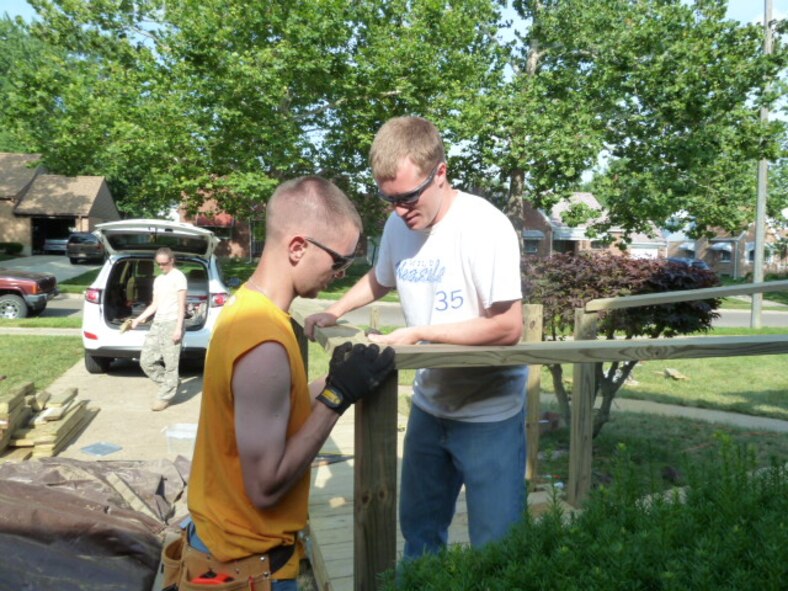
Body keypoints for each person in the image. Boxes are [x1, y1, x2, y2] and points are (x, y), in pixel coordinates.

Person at [305, 116, 528, 558]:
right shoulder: (398, 227)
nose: (399, 210)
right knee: (420, 538)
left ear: (441, 173)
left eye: (407, 197)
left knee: (497, 550)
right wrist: (334, 309)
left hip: (491, 413)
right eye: (388, 199)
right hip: (429, 409)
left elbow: (508, 326)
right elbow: (381, 277)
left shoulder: (485, 226)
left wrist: (419, 333)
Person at [173, 176, 395, 591]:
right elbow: (266, 486)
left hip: (223, 547)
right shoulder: (265, 343)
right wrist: (336, 397)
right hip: (244, 567)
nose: (341, 274)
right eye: (338, 262)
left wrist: (335, 379)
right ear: (298, 248)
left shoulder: (249, 309)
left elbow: (279, 405)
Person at [131, 246, 187, 411]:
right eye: (158, 264)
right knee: (146, 361)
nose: (162, 267)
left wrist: (178, 328)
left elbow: (181, 305)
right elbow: (154, 305)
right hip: (157, 323)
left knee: (171, 364)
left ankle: (165, 396)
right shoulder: (159, 280)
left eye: (164, 263)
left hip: (172, 323)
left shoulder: (179, 277)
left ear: (172, 260)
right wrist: (138, 319)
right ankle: (170, 384)